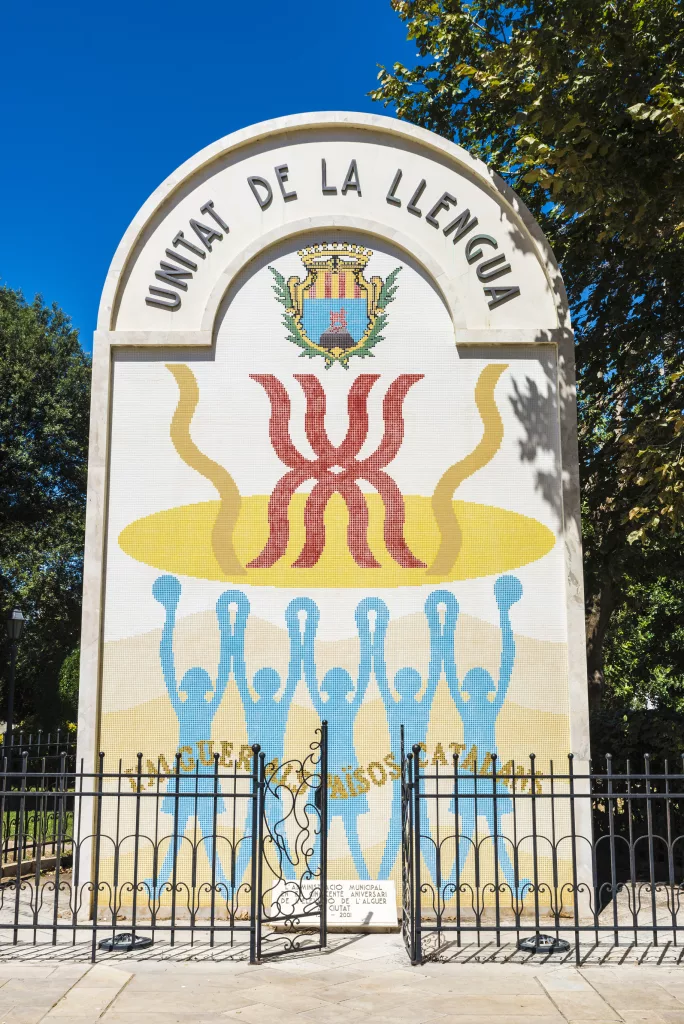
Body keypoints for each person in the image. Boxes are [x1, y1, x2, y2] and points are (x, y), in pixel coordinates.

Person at [145, 575, 233, 897]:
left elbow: (222, 672)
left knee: (203, 834)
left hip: (201, 771)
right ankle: (170, 880)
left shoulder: (200, 709)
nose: (196, 691)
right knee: (183, 832)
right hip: (188, 772)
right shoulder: (189, 708)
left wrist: (224, 630)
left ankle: (221, 882)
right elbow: (167, 664)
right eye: (193, 686)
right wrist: (169, 616)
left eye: (198, 686)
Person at [443, 576, 530, 898]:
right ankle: (452, 883)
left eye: (482, 685)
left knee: (494, 832)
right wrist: (449, 628)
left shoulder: (488, 709)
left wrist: (504, 615)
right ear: (471, 689)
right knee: (469, 832)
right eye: (475, 685)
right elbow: (451, 672)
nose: (479, 690)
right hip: (470, 772)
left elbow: (506, 664)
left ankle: (509, 882)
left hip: (487, 773)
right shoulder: (470, 710)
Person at [304, 598, 386, 880]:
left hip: (345, 770)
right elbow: (312, 681)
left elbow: (363, 680)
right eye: (334, 685)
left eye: (341, 685)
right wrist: (307, 638)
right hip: (328, 770)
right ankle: (311, 878)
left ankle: (361, 878)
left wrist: (366, 636)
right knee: (322, 831)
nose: (338, 689)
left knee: (348, 830)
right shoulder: (327, 706)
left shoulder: (347, 707)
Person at [377, 591, 445, 880]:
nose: (405, 685)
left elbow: (433, 672)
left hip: (417, 770)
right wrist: (377, 636)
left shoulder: (420, 705)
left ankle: (438, 881)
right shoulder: (395, 706)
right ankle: (382, 880)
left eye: (409, 681)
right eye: (402, 681)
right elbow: (380, 675)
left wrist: (435, 628)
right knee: (399, 826)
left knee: (421, 825)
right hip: (400, 770)